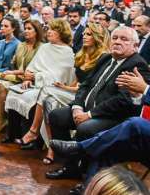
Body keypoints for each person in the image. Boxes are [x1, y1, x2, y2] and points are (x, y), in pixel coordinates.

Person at [46, 26, 150, 181]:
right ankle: (71, 167)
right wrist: (77, 107)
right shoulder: (106, 58)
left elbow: (123, 101)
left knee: (86, 128)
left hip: (112, 117)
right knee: (56, 116)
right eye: (115, 38)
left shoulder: (137, 65)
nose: (117, 42)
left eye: (124, 39)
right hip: (85, 109)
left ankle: (88, 175)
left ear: (135, 46)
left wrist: (88, 115)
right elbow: (86, 84)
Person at [38, 23, 110, 164]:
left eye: (89, 34)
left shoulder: (103, 57)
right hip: (75, 92)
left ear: (97, 37)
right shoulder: (82, 54)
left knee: (47, 92)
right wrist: (64, 87)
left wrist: (67, 89)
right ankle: (52, 145)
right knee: (48, 101)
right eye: (84, 34)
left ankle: (45, 142)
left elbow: (90, 87)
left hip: (85, 97)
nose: (84, 36)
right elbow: (77, 82)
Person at [4, 19, 75, 148]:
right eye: (48, 28)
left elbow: (59, 77)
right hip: (36, 83)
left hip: (54, 87)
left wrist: (36, 76)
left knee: (33, 98)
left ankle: (36, 140)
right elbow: (31, 67)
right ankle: (13, 134)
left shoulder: (67, 52)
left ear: (61, 32)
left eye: (53, 29)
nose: (49, 32)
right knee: (14, 93)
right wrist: (27, 78)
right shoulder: (45, 48)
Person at [0, 20, 44, 134]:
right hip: (19, 76)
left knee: (1, 85)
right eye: (25, 28)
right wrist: (12, 71)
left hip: (31, 80)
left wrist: (13, 73)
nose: (26, 31)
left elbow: (36, 69)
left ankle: (1, 120)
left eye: (29, 28)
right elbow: (14, 63)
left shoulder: (42, 47)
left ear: (37, 31)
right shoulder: (21, 45)